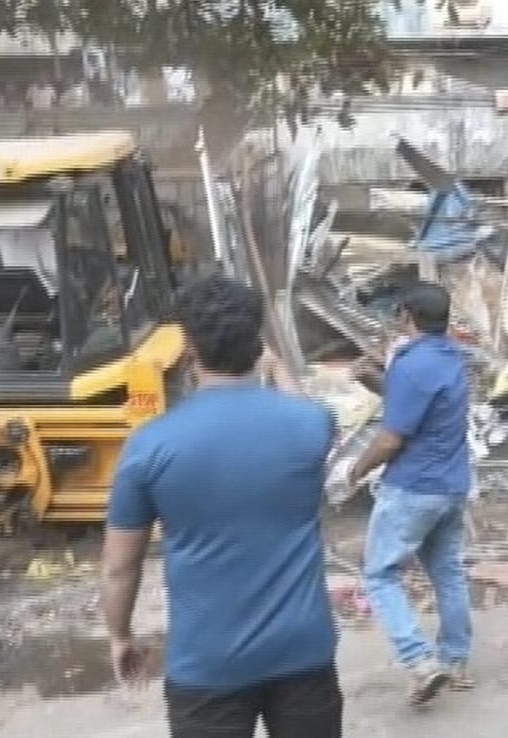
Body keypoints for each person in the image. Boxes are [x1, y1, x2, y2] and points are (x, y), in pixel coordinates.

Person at [101, 274, 342, 738]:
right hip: (303, 653)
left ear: (189, 350)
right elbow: (311, 417)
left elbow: (118, 566)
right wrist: (277, 369)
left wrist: (120, 635)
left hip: (207, 666)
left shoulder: (150, 446)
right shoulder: (309, 424)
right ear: (258, 344)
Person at [345, 282, 473, 705]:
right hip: (452, 484)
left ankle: (420, 661)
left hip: (413, 487)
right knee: (448, 573)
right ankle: (455, 660)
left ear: (406, 317)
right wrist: (378, 382)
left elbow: (392, 438)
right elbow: (421, 406)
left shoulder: (409, 363)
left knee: (381, 575)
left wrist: (356, 469)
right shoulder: (454, 357)